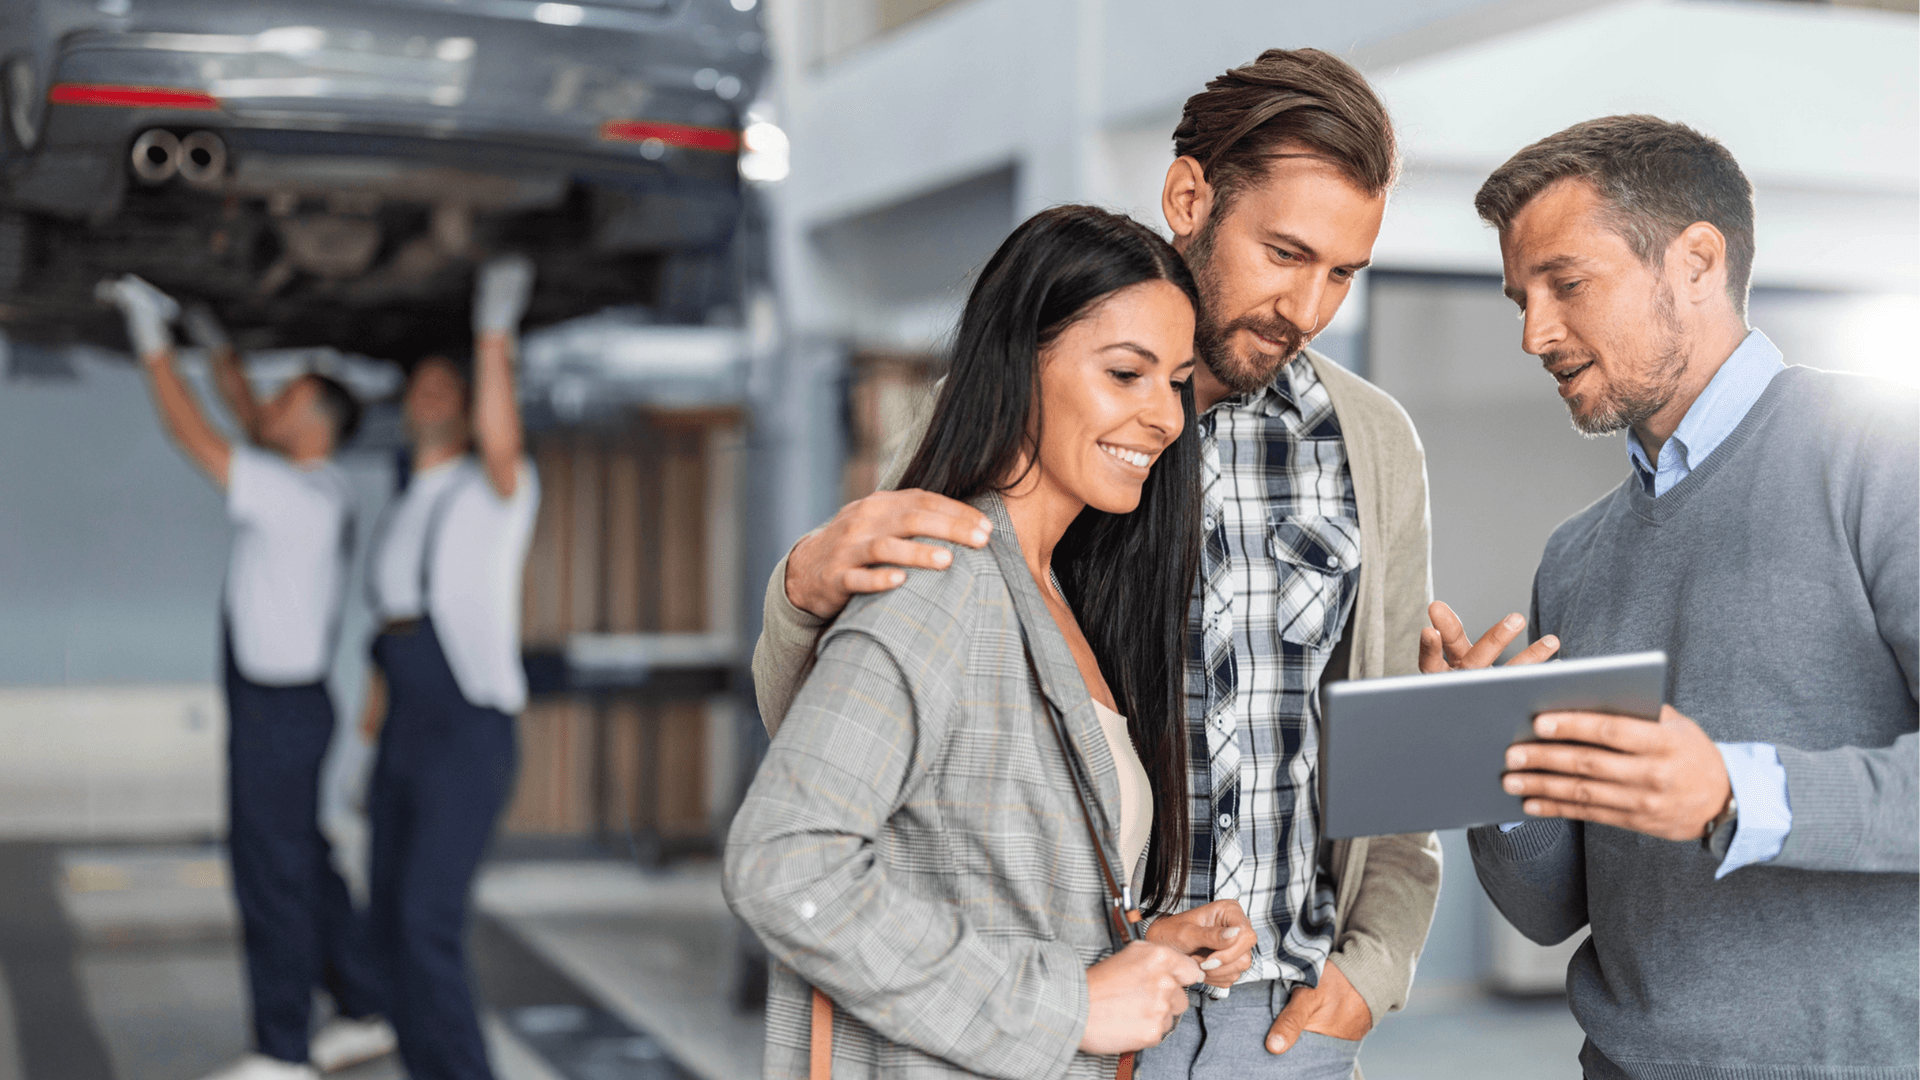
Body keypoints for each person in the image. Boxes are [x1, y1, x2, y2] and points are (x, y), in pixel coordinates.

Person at [751, 50, 1551, 1077]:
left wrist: (1376, 963)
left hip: (1285, 1018)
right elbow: (839, 742)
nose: (1308, 308)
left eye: (1343, 272)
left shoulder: (1372, 445)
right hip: (1068, 1002)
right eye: (1284, 253)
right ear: (1189, 196)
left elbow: (1378, 751)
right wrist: (802, 591)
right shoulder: (1045, 415)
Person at [1448, 116, 1918, 1078]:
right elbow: (1550, 911)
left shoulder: (1882, 459)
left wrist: (1735, 792)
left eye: (1567, 284)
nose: (1536, 334)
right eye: (1521, 299)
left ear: (1697, 261)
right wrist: (1478, 751)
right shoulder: (1573, 558)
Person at [729, 204, 1217, 1078]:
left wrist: (1138, 949)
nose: (1167, 417)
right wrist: (1074, 1003)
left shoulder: (1051, 591)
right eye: (1125, 373)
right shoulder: (940, 580)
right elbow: (784, 863)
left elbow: (978, 881)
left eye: (1175, 381)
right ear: (1018, 365)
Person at [100, 277, 395, 1080]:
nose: (267, 401)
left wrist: (149, 336)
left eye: (286, 396)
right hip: (288, 708)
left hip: (276, 714)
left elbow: (193, 435)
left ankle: (282, 1052)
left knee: (272, 877)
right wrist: (214, 339)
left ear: (313, 425)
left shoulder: (294, 497)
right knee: (302, 859)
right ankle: (366, 1007)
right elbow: (240, 416)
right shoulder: (310, 483)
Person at [360, 255, 541, 1080]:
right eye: (420, 388)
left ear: (470, 412)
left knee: (429, 918)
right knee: (392, 919)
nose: (428, 398)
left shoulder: (495, 489)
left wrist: (491, 332)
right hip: (404, 724)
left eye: (447, 389)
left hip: (468, 731)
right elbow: (391, 622)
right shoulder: (406, 501)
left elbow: (504, 440)